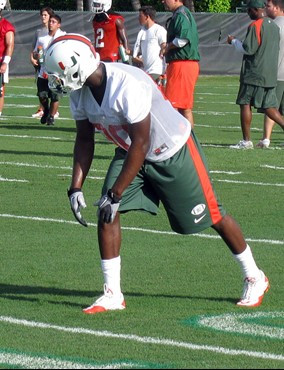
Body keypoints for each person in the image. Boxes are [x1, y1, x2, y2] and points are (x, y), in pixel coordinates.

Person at [45, 33, 270, 314]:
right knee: (107, 211)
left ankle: (254, 275)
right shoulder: (80, 93)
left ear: (75, 66)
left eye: (56, 73)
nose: (53, 80)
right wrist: (75, 187)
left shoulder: (127, 84)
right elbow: (84, 139)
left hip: (171, 150)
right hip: (131, 151)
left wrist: (116, 193)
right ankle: (113, 293)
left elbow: (143, 142)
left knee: (211, 214)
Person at [228, 0, 284, 149]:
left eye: (249, 10)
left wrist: (233, 41)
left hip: (254, 72)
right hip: (270, 74)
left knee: (245, 103)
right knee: (270, 107)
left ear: (255, 9)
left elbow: (248, 49)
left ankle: (246, 141)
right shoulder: (274, 26)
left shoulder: (256, 25)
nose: (247, 13)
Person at [162, 0, 200, 128]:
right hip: (184, 64)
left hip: (182, 64)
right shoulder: (182, 14)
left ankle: (181, 139)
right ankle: (188, 141)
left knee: (174, 105)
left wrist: (167, 47)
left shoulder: (180, 15)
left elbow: (183, 39)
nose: (163, 1)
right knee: (184, 106)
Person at [257, 0, 284, 148]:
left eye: (268, 6)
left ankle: (266, 138)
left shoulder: (273, 26)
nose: (265, 8)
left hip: (277, 74)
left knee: (271, 106)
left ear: (277, 7)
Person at [33, 14, 65, 126]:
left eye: (53, 22)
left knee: (55, 96)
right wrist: (37, 56)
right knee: (42, 95)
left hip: (56, 72)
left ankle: (51, 116)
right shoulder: (42, 38)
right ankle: (46, 110)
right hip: (43, 70)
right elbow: (36, 52)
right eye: (50, 21)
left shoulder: (63, 37)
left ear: (58, 25)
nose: (51, 23)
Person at [30, 7, 55, 119]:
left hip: (52, 64)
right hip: (41, 64)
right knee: (41, 89)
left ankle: (53, 111)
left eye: (45, 15)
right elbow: (34, 48)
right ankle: (42, 109)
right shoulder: (39, 32)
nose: (43, 17)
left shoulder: (56, 31)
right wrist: (32, 57)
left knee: (53, 89)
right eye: (42, 15)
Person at [132, 6, 167, 84]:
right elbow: (139, 54)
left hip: (156, 70)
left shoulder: (159, 30)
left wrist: (162, 53)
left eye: (140, 16)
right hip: (145, 70)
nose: (138, 18)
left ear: (147, 17)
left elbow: (164, 47)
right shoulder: (141, 31)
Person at [0, 0, 14, 117]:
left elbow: (10, 45)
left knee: (0, 91)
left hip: (0, 60)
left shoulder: (6, 26)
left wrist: (5, 62)